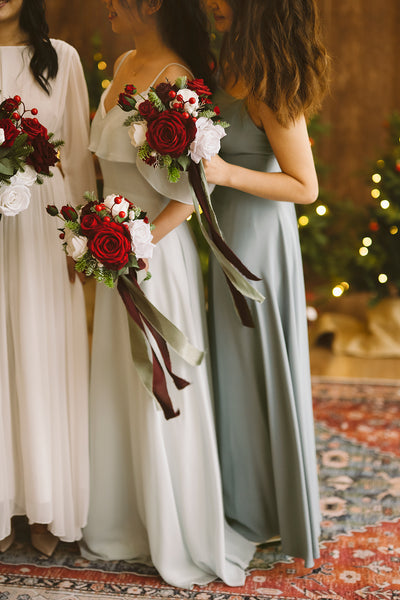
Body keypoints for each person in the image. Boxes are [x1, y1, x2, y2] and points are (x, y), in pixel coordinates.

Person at [80, 0, 255, 589]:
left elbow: (192, 191)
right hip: (113, 250)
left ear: (150, 4)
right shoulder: (127, 60)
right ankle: (122, 519)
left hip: (152, 255)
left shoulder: (177, 80)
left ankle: (176, 525)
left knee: (158, 382)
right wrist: (99, 239)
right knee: (115, 381)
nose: (107, 6)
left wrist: (134, 243)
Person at [204, 0, 330, 568]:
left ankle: (268, 511)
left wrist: (225, 172)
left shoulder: (268, 82)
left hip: (257, 239)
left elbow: (305, 186)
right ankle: (242, 497)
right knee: (235, 370)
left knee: (258, 364)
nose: (213, 3)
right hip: (224, 228)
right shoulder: (220, 63)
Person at [0, 0, 96, 556]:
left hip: (44, 223)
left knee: (40, 353)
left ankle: (43, 505)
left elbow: (78, 158)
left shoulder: (61, 58)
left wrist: (81, 235)